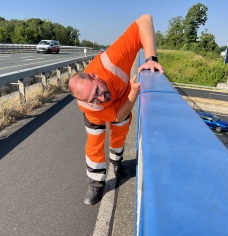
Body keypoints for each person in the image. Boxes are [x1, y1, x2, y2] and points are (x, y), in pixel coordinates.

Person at [69, 14, 165, 205]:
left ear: (95, 76)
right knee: (95, 141)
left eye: (98, 90)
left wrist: (151, 58)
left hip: (122, 98)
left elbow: (145, 20)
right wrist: (133, 94)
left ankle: (117, 162)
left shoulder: (113, 59)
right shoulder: (90, 105)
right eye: (93, 98)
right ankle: (96, 185)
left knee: (119, 132)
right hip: (103, 111)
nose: (101, 98)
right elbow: (114, 114)